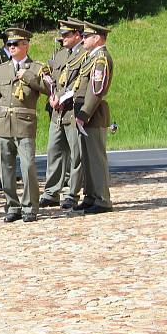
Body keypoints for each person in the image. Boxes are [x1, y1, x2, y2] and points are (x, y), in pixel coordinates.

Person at [0, 28, 51, 223]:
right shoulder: (1, 69)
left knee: (28, 166)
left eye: (15, 44)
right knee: (5, 168)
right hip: (3, 122)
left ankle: (30, 206)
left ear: (26, 45)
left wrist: (28, 77)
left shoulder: (37, 68)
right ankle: (12, 206)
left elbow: (49, 88)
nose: (11, 47)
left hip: (25, 123)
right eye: (9, 45)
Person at [39, 19, 87, 210]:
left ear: (77, 35)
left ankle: (72, 193)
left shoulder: (84, 55)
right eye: (63, 34)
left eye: (67, 34)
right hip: (57, 112)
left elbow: (82, 82)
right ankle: (51, 192)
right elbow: (53, 81)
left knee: (76, 155)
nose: (63, 38)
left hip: (73, 110)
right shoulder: (59, 55)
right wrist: (51, 95)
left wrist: (63, 97)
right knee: (54, 151)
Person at [73, 21, 114, 214]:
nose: (83, 39)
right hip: (84, 114)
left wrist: (84, 113)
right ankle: (90, 195)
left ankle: (102, 199)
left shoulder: (100, 59)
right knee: (87, 158)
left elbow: (96, 90)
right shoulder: (90, 58)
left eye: (86, 36)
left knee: (96, 159)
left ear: (97, 38)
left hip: (93, 115)